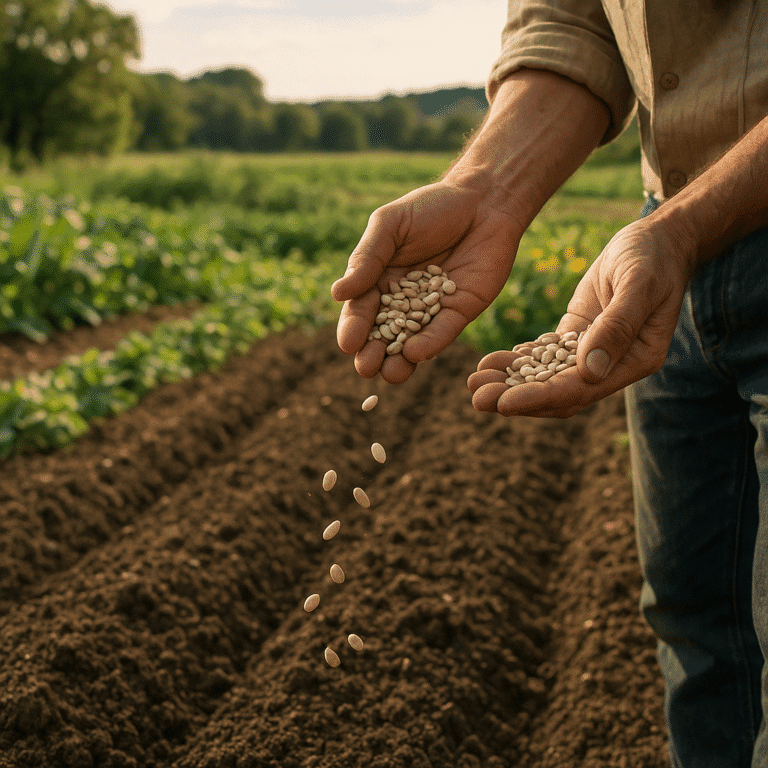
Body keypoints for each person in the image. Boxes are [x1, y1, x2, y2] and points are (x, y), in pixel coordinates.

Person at [331, 2, 768, 765]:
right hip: (667, 238)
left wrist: (682, 229)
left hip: (675, 233)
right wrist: (486, 190)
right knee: (698, 626)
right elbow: (572, 22)